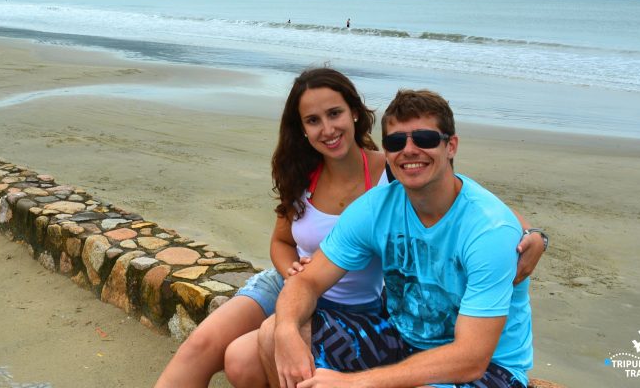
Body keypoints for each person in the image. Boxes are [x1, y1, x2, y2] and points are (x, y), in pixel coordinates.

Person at [154, 70, 544, 387]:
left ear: (451, 145)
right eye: (397, 142)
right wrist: (288, 327)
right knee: (253, 339)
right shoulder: (361, 199)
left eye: (424, 139)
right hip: (361, 312)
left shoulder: (457, 213)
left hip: (461, 356)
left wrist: (537, 237)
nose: (410, 150)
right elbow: (297, 268)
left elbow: (472, 357)